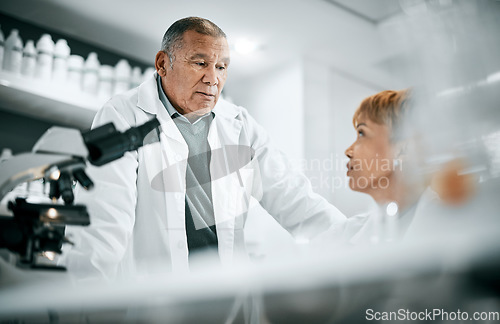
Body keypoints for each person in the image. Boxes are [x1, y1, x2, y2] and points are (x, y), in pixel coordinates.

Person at [62, 17, 346, 280]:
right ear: (163, 64)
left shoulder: (239, 124)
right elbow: (101, 224)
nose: (213, 79)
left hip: (228, 299)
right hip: (155, 302)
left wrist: (361, 243)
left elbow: (296, 198)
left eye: (221, 67)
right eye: (200, 63)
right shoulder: (124, 114)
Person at [343, 89, 436, 244]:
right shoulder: (350, 230)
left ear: (402, 150)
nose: (348, 151)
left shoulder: (448, 220)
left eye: (361, 133)